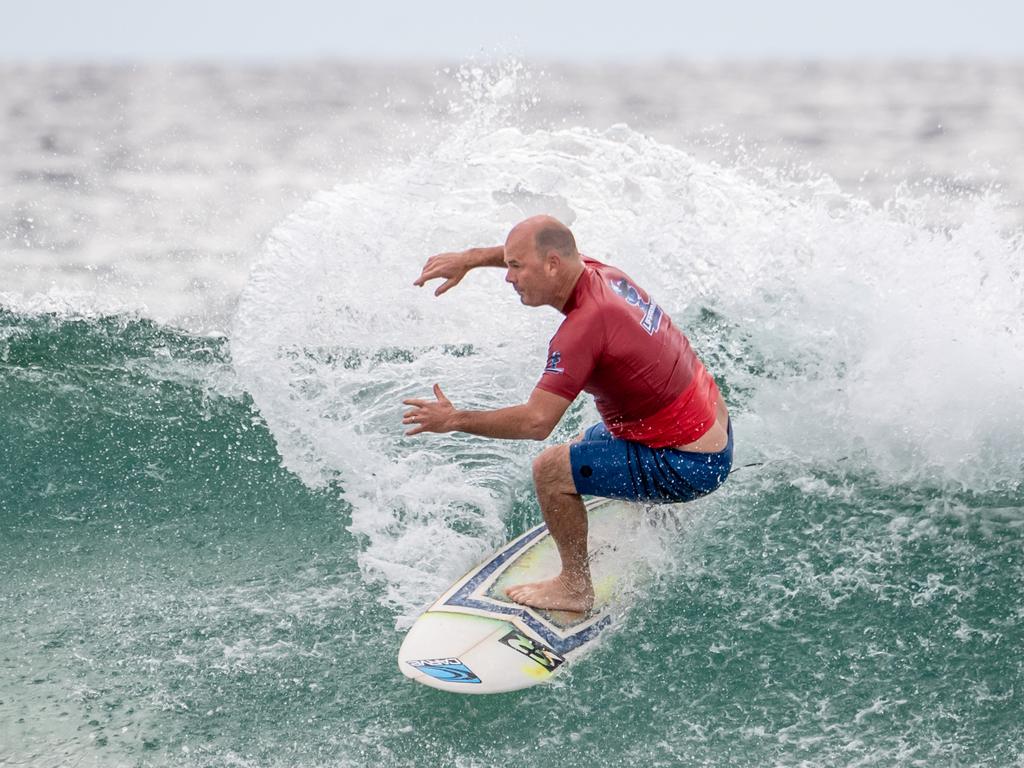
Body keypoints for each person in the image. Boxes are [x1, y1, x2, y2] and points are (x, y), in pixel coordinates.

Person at [403, 215, 732, 613]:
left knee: (552, 470)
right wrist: (470, 259)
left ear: (553, 265)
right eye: (509, 264)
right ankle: (656, 513)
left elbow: (535, 422)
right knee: (584, 447)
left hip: (692, 463)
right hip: (713, 425)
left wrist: (455, 420)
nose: (509, 278)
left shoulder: (584, 328)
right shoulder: (596, 272)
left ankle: (574, 587)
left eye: (516, 267)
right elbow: (535, 251)